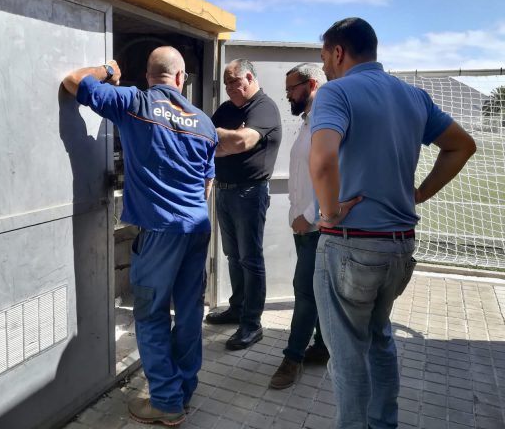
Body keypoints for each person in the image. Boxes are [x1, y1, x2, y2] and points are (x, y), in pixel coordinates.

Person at [309, 17, 476, 428]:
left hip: (350, 245)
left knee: (347, 354)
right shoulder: (413, 96)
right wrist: (420, 193)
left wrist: (329, 212)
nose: (325, 68)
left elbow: (323, 159)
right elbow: (462, 145)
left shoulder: (336, 92)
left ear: (338, 52)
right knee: (379, 340)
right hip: (400, 248)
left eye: (325, 59)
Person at [62, 46, 217, 427]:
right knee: (189, 312)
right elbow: (208, 183)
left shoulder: (135, 101)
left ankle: (165, 402)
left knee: (150, 314)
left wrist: (108, 68)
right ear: (181, 79)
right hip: (196, 228)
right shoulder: (204, 121)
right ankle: (183, 390)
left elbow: (73, 82)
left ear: (149, 76)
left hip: (160, 231)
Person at [205, 59, 282, 351]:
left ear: (249, 78)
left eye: (232, 83)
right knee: (232, 256)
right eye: (224, 84)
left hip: (250, 193)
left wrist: (219, 139)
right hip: (224, 192)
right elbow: (209, 144)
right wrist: (223, 142)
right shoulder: (227, 110)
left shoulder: (263, 107)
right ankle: (237, 308)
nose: (228, 90)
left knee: (250, 258)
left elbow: (240, 142)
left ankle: (252, 324)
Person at [269, 63, 330, 390]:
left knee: (304, 290)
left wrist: (309, 213)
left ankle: (292, 359)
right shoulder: (309, 121)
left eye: (292, 88)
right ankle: (321, 346)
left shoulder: (325, 118)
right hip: (306, 225)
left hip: (317, 224)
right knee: (314, 290)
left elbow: (335, 169)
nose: (289, 95)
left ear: (312, 84)